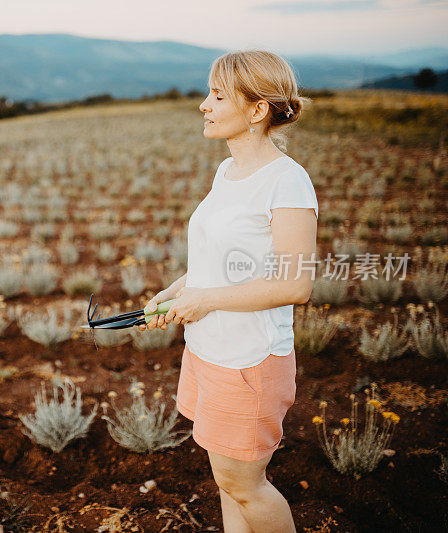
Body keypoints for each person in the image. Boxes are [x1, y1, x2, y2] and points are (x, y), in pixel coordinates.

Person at [139, 50, 318, 533]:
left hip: (250, 362)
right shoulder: (228, 173)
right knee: (226, 480)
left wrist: (206, 301)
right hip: (209, 350)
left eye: (217, 96)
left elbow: (296, 283)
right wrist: (172, 294)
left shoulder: (288, 183)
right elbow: (211, 265)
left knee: (245, 484)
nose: (204, 104)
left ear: (257, 110)